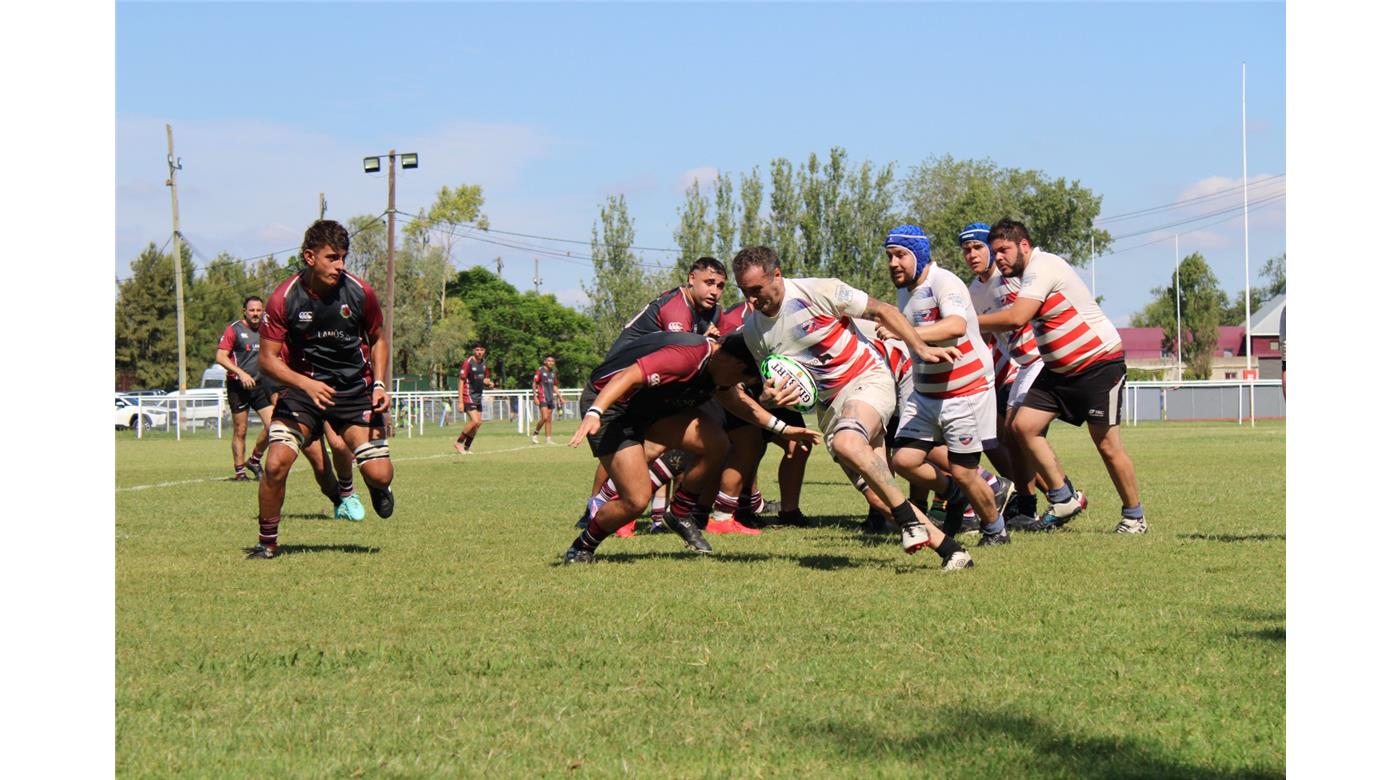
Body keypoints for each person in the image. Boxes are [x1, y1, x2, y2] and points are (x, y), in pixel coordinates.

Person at [732, 245, 975, 570]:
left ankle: (913, 520)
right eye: (745, 292)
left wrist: (919, 347)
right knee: (881, 497)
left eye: (756, 290)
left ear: (777, 275)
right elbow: (771, 380)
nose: (750, 301)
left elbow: (884, 310)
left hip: (867, 379)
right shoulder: (753, 331)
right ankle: (953, 550)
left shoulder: (817, 290)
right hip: (831, 408)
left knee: (849, 444)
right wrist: (769, 399)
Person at [563, 331, 821, 563]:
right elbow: (628, 375)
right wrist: (596, 411)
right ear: (735, 364)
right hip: (612, 408)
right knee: (636, 500)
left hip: (646, 409)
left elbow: (738, 403)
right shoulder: (687, 357)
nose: (739, 384)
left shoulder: (719, 369)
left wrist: (785, 430)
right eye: (743, 378)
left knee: (717, 442)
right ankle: (583, 545)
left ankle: (679, 513)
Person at [976, 218, 1145, 534]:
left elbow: (1017, 318)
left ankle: (1135, 517)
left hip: (1098, 364)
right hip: (1058, 371)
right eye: (994, 252)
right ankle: (1063, 496)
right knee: (1021, 427)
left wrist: (970, 322)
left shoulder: (1043, 266)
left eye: (1004, 250)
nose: (998, 258)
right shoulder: (1025, 274)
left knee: (1107, 446)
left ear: (1024, 246)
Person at [246, 219, 397, 559]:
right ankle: (267, 543)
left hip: (352, 388)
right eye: (333, 257)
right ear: (309, 257)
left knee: (379, 472)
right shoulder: (283, 298)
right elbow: (268, 362)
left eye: (344, 257)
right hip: (302, 389)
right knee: (275, 464)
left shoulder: (360, 292)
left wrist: (380, 383)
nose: (340, 265)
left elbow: (378, 339)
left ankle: (376, 486)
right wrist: (305, 384)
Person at [880, 225, 1014, 548]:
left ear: (919, 255)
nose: (893, 263)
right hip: (926, 394)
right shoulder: (905, 291)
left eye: (900, 255)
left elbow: (956, 326)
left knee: (965, 470)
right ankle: (954, 495)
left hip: (964, 392)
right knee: (903, 460)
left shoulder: (945, 282)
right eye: (889, 257)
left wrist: (905, 334)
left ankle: (996, 529)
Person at [572, 257, 730, 527]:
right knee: (632, 445)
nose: (715, 291)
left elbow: (708, 353)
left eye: (721, 285)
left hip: (653, 384)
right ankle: (600, 504)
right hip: (623, 382)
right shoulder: (676, 308)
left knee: (703, 436)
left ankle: (663, 511)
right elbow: (679, 353)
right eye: (709, 282)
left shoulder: (713, 312)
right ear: (691, 279)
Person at [960, 222, 1075, 526]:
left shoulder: (1013, 276)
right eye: (966, 250)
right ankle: (1030, 500)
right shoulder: (974, 290)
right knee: (1004, 436)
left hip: (1036, 360)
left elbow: (1015, 318)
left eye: (978, 247)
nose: (972, 255)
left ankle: (1058, 494)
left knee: (1017, 432)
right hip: (1017, 365)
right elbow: (983, 335)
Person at [215, 296, 274, 481]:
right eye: (252, 310)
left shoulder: (267, 329)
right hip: (238, 386)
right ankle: (239, 472)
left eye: (258, 310)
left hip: (260, 385)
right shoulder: (234, 329)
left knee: (273, 426)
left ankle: (254, 460)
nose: (255, 314)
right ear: (245, 311)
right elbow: (221, 357)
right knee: (241, 430)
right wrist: (241, 373)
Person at [455, 343, 494, 454]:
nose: (479, 352)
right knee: (475, 421)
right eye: (477, 350)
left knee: (478, 423)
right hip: (468, 395)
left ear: (484, 351)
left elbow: (485, 379)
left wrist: (489, 383)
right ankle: (459, 443)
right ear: (473, 351)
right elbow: (461, 381)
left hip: (478, 396)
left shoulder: (484, 363)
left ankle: (467, 446)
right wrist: (460, 401)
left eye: (481, 350)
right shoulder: (468, 363)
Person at [530, 356, 565, 444]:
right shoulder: (540, 370)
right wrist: (534, 396)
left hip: (550, 398)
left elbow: (554, 386)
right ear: (545, 362)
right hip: (542, 397)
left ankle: (548, 439)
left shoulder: (553, 373)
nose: (551, 362)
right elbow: (534, 383)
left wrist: (560, 396)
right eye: (549, 361)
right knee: (544, 417)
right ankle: (535, 433)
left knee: (548, 419)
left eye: (552, 361)